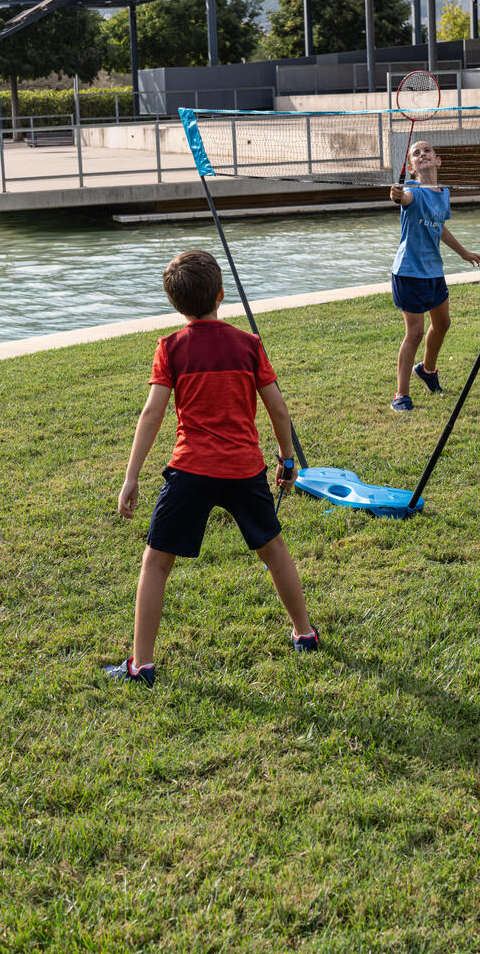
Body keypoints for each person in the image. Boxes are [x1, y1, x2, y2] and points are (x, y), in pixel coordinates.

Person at [105, 249, 318, 686]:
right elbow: (278, 409)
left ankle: (141, 664)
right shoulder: (248, 345)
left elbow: (152, 414)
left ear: (175, 304)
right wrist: (287, 458)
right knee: (274, 551)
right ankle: (305, 633)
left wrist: (131, 477)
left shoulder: (170, 348)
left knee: (156, 562)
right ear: (221, 295)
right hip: (245, 469)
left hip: (191, 472)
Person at [388, 141, 480, 414]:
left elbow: (438, 226)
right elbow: (403, 198)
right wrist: (396, 195)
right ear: (411, 167)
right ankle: (401, 395)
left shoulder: (443, 193)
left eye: (427, 151)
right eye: (416, 153)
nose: (423, 155)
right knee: (415, 332)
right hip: (409, 271)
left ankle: (428, 371)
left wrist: (463, 252)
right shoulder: (412, 190)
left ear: (438, 160)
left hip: (433, 270)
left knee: (442, 324)